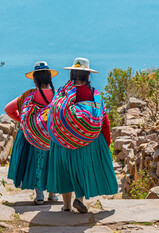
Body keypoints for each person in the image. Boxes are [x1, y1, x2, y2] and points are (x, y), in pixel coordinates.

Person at [46, 57, 118, 213]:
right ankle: (79, 200)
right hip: (88, 142)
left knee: (65, 172)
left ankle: (66, 206)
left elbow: (52, 115)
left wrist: (56, 136)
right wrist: (106, 143)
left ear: (72, 73)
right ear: (88, 75)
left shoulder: (62, 92)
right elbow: (103, 121)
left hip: (63, 142)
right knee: (83, 171)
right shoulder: (93, 94)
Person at [5, 61, 58, 205]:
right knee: (52, 162)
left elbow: (8, 109)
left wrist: (25, 122)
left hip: (33, 137)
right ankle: (53, 194)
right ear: (49, 79)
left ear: (34, 80)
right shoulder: (57, 96)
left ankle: (39, 195)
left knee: (37, 162)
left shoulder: (29, 96)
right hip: (53, 137)